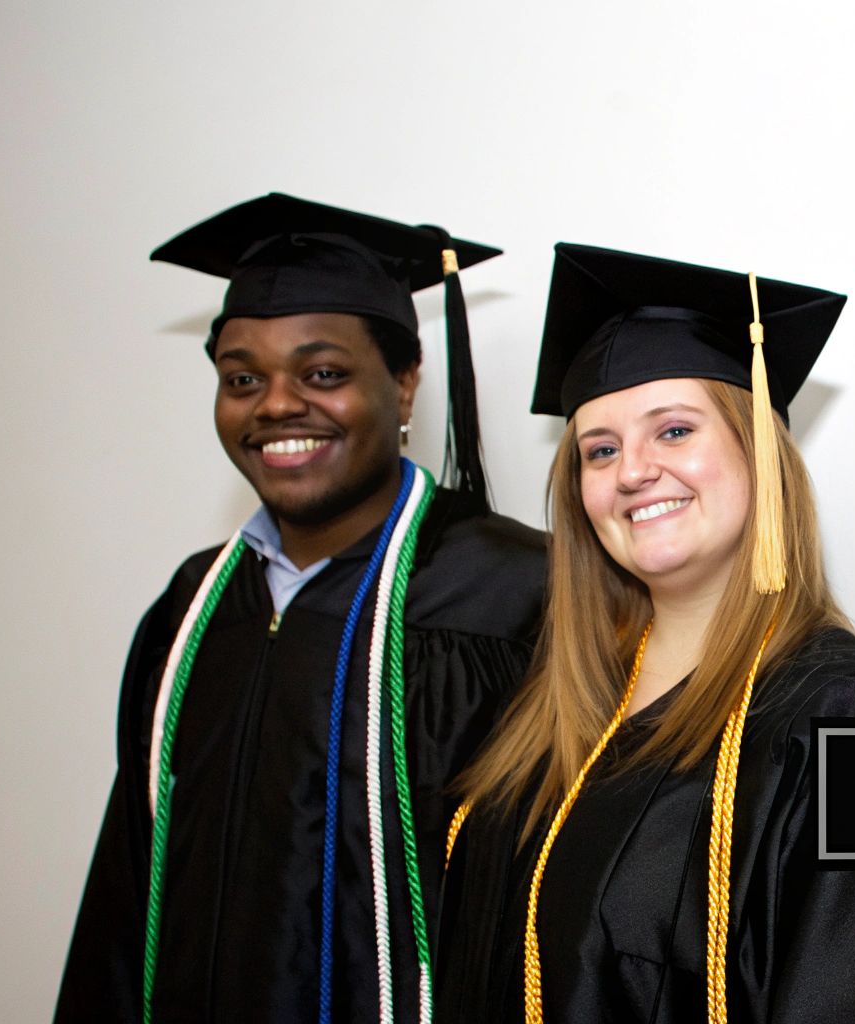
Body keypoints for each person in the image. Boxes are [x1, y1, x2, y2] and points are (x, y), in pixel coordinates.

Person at [55, 194, 547, 1023]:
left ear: (404, 383)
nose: (277, 404)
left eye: (323, 374)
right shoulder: (193, 609)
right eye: (243, 379)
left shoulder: (514, 593)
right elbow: (126, 892)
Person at [436, 243, 855, 1023]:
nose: (632, 470)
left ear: (759, 449)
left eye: (673, 431)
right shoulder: (555, 704)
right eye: (599, 450)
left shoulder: (849, 719)